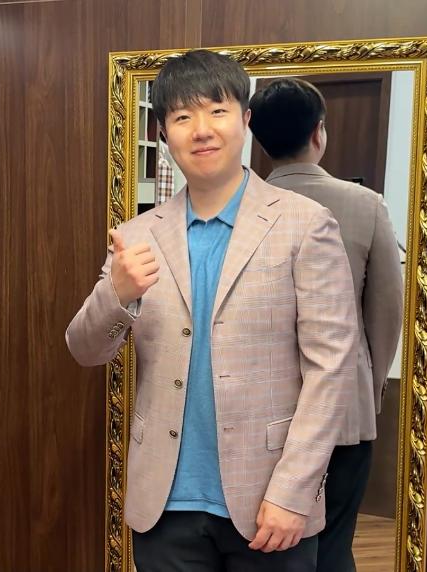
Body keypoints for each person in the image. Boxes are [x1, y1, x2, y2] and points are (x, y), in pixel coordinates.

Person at [65, 51, 359, 571]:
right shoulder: (137, 236)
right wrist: (118, 292)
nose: (201, 130)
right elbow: (84, 349)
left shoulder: (305, 224)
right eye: (182, 116)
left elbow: (331, 369)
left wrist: (294, 491)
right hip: (165, 503)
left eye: (217, 111)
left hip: (270, 501)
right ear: (163, 133)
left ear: (245, 120)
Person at [249, 77, 404, 572]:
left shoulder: (240, 205)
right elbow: (386, 310)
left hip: (259, 408)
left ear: (256, 136)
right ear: (319, 132)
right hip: (343, 407)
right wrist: (369, 387)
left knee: (266, 544)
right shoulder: (365, 204)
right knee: (334, 543)